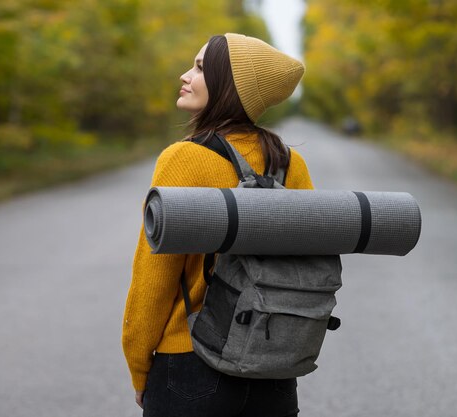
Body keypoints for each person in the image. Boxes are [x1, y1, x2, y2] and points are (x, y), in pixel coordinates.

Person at [122, 33, 313, 417]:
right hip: (270, 370)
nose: (185, 75)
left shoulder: (183, 159)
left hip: (190, 364)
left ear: (231, 85)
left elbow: (154, 277)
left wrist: (140, 367)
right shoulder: (290, 165)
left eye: (199, 68)